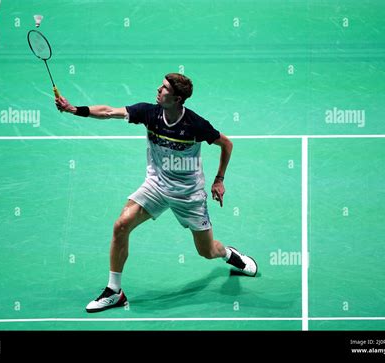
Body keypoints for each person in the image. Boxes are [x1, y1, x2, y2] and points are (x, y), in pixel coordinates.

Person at [55, 73, 258, 313]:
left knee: (207, 251)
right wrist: (73, 109)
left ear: (177, 98)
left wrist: (219, 179)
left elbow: (227, 144)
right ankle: (114, 292)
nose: (158, 90)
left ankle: (228, 254)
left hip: (188, 194)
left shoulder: (195, 125)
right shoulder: (149, 113)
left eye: (164, 89)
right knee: (121, 225)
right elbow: (109, 111)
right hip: (157, 185)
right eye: (161, 86)